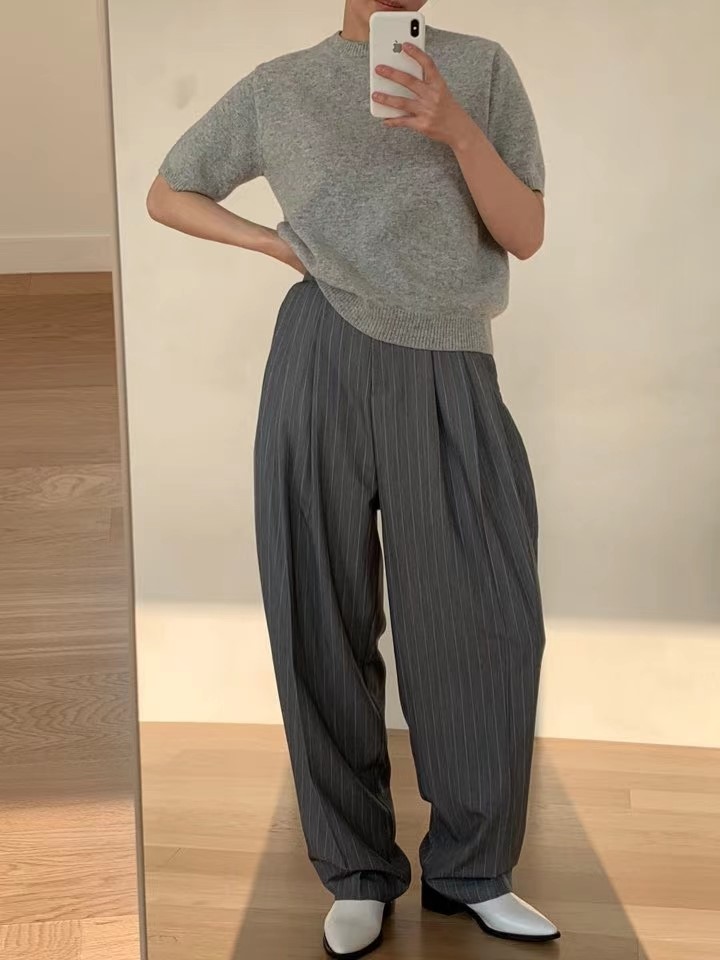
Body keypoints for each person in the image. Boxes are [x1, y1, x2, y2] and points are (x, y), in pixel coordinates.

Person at [147, 1, 559, 956]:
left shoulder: (481, 68)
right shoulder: (280, 87)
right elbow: (169, 192)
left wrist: (456, 129)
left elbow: (526, 233)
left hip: (449, 362)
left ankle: (472, 871)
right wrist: (275, 243)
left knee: (482, 622)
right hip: (321, 355)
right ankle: (357, 870)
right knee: (319, 612)